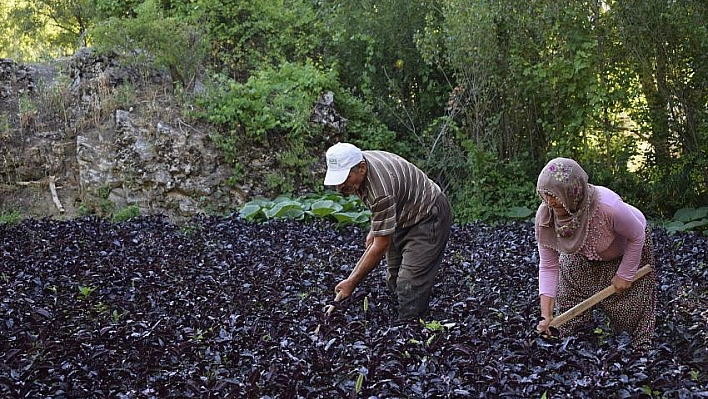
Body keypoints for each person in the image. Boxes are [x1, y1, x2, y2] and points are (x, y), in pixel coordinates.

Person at [534, 157, 657, 347]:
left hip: (626, 249)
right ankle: (573, 342)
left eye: (555, 195)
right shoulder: (546, 217)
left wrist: (626, 273)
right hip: (582, 252)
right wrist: (547, 313)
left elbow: (637, 236)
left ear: (573, 192)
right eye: (545, 194)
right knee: (569, 297)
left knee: (629, 308)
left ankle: (638, 347)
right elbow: (549, 265)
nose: (549, 202)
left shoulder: (608, 207)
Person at [323, 142, 452, 320]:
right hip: (402, 215)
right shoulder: (359, 160)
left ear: (361, 168)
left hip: (428, 214)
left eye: (344, 178)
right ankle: (396, 323)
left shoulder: (380, 190)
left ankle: (410, 329)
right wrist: (375, 229)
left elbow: (381, 245)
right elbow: (381, 208)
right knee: (393, 277)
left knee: (409, 282)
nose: (339, 187)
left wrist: (351, 282)